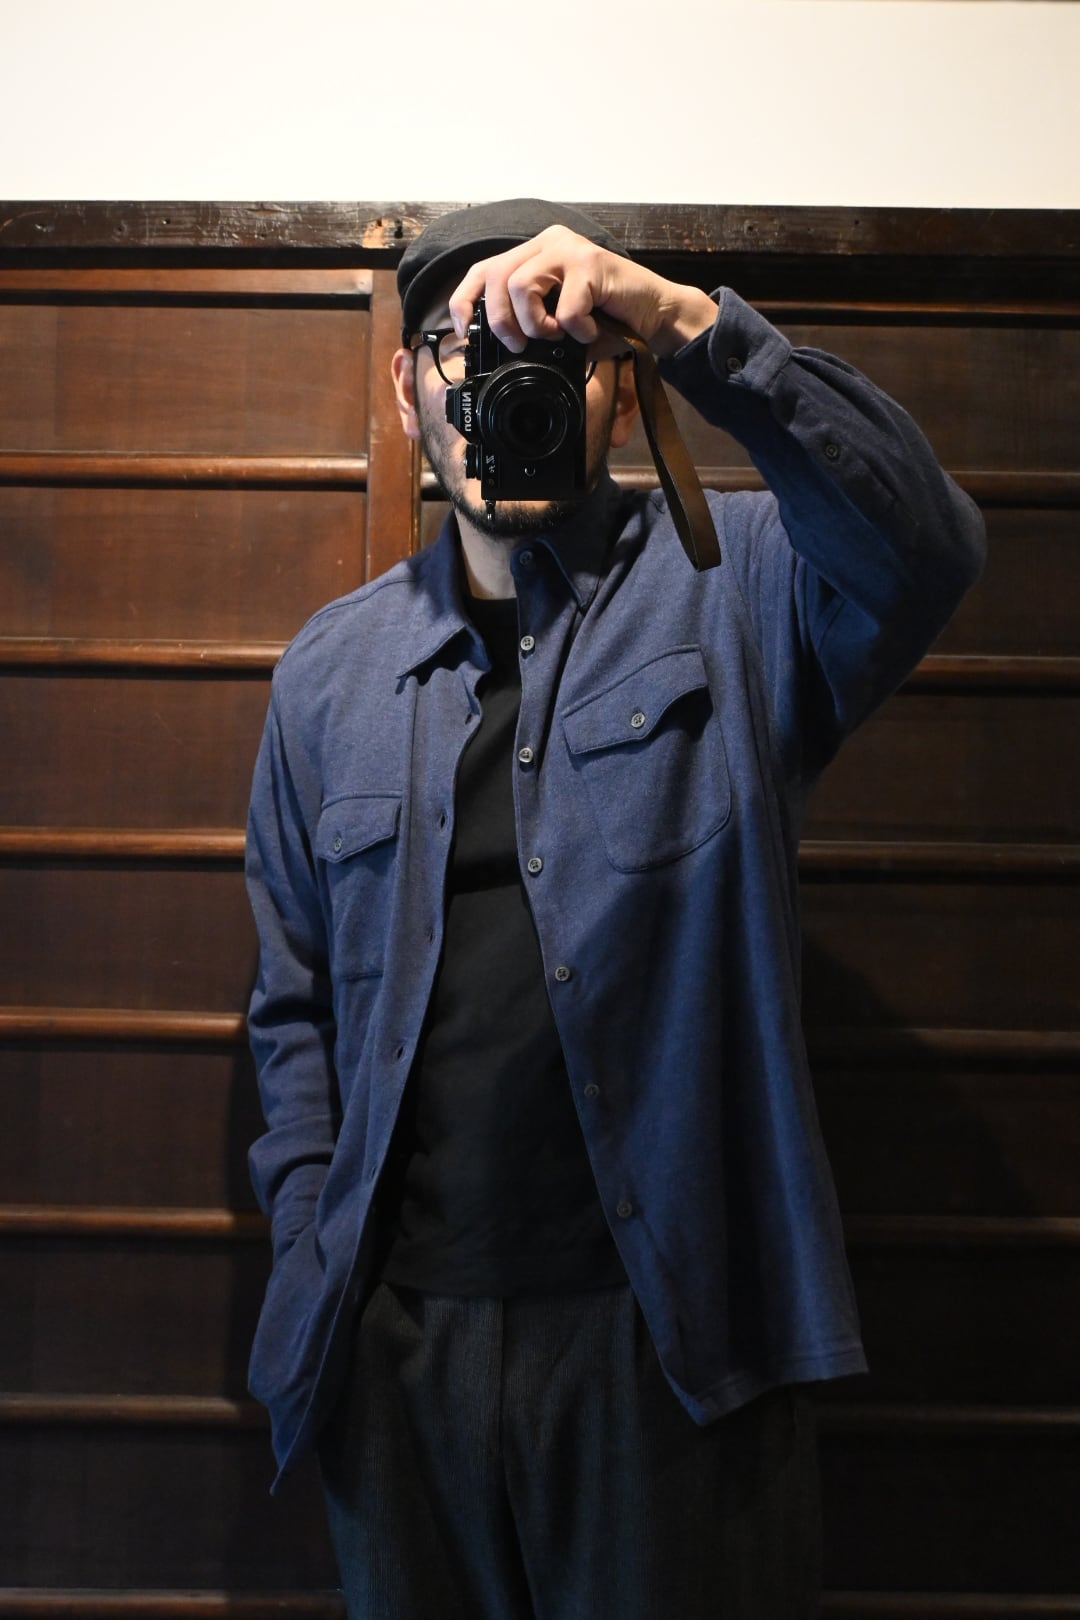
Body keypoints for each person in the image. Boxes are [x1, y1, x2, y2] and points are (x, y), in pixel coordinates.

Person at [244, 198, 986, 1619]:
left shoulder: (739, 583)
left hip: (675, 1353)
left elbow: (930, 550)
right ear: (406, 393)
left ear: (622, 388)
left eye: (555, 349)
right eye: (463, 352)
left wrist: (679, 315)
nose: (502, 384)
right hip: (394, 1350)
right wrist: (308, 1261)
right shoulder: (326, 679)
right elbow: (292, 1008)